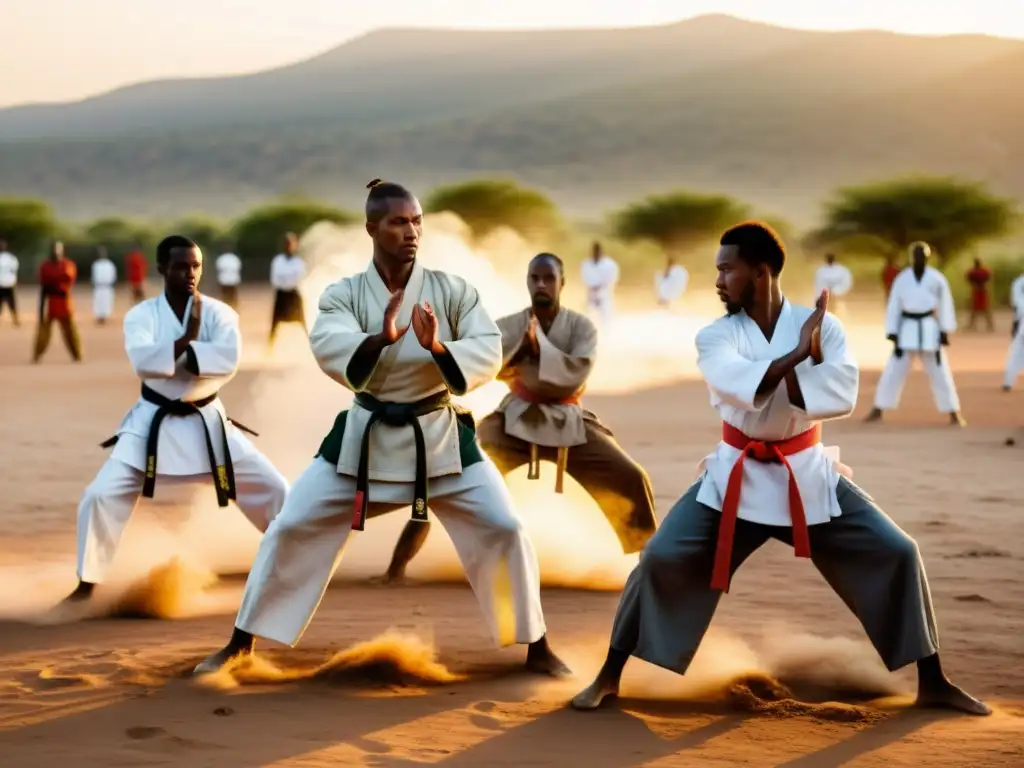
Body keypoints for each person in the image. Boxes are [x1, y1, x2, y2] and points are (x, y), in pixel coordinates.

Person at [570, 221, 990, 717]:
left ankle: (934, 680)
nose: (719, 280)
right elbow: (735, 386)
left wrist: (804, 354)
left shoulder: (825, 327)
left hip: (805, 472)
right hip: (734, 475)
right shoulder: (716, 335)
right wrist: (798, 355)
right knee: (660, 556)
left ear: (761, 271)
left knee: (899, 550)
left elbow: (842, 394)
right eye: (718, 270)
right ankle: (609, 676)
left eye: (728, 269)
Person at [193, 180, 569, 678]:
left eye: (417, 221)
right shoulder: (343, 294)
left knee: (505, 527)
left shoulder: (452, 291)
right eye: (398, 222)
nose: (411, 231)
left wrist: (438, 349)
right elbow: (329, 347)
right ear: (372, 228)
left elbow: (485, 348)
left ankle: (537, 647)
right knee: (289, 527)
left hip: (438, 436)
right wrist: (380, 338)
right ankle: (242, 642)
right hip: (366, 439)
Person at [379, 252, 658, 584]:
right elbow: (482, 362)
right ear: (527, 282)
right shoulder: (509, 325)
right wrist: (439, 344)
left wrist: (534, 348)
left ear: (562, 283)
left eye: (548, 278)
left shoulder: (582, 327)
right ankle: (397, 566)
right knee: (446, 471)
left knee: (630, 476)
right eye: (534, 278)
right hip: (513, 420)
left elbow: (574, 373)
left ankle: (651, 568)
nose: (541, 284)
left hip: (569, 421)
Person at [61, 235, 289, 604]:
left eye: (196, 266)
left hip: (207, 422)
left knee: (276, 489)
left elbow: (228, 359)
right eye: (182, 266)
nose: (190, 273)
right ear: (162, 268)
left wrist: (179, 355)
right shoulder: (141, 315)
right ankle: (87, 583)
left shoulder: (221, 313)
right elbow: (143, 360)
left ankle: (292, 566)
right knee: (99, 497)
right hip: (152, 422)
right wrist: (188, 339)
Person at [865, 243, 965, 426]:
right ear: (912, 257)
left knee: (941, 373)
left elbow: (945, 304)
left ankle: (953, 411)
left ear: (928, 258)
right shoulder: (902, 279)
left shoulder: (937, 279)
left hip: (929, 329)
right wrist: (893, 332)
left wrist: (944, 330)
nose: (920, 258)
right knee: (893, 371)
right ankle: (878, 408)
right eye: (917, 255)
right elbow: (894, 305)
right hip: (907, 329)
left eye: (923, 255)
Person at [33, 241, 83, 363]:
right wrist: (41, 304)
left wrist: (53, 285)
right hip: (50, 302)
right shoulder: (45, 266)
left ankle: (77, 355)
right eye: (54, 249)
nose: (56, 252)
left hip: (64, 302)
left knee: (70, 330)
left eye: (58, 249)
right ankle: (37, 355)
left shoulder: (68, 265)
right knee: (43, 331)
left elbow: (66, 283)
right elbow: (44, 285)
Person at [267, 232, 308, 350]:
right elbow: (275, 279)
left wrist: (287, 279)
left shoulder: (298, 262)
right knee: (275, 323)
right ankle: (269, 350)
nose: (288, 246)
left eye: (290, 243)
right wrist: (287, 280)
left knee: (302, 321)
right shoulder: (278, 261)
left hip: (293, 294)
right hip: (282, 294)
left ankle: (312, 348)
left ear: (295, 245)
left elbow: (300, 278)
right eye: (286, 243)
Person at [581, 241, 619, 327]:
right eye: (594, 250)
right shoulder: (586, 264)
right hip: (591, 293)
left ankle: (607, 334)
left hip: (604, 292)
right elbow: (584, 277)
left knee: (606, 315)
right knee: (590, 315)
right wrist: (591, 286)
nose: (596, 252)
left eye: (597, 250)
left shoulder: (609, 264)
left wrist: (602, 285)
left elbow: (613, 277)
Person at [813, 253, 853, 317]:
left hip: (837, 295)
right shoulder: (821, 270)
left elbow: (846, 282)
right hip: (826, 295)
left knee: (838, 310)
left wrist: (838, 292)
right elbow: (818, 283)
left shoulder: (841, 270)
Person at [1004, 272, 1024, 391]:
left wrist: (1015, 325)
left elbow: (1016, 305)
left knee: (1016, 352)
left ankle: (1008, 382)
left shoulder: (1018, 282)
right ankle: (1008, 381)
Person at [91, 246, 117, 325]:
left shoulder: (110, 264)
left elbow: (113, 275)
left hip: (107, 286)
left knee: (106, 301)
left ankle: (105, 316)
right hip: (98, 286)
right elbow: (93, 276)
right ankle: (99, 316)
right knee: (98, 301)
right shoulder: (96, 264)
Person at [965, 258, 993, 332]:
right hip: (978, 291)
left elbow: (989, 278)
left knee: (984, 309)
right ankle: (973, 325)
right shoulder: (974, 271)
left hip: (981, 291)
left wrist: (981, 285)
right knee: (975, 309)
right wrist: (975, 285)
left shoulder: (982, 271)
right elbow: (969, 279)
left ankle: (989, 325)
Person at [0, 238, 20, 326]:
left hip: (9, 284)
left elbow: (14, 270)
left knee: (12, 303)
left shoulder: (11, 258)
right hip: (1, 284)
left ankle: (15, 319)